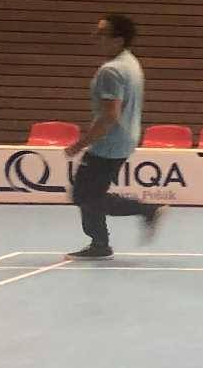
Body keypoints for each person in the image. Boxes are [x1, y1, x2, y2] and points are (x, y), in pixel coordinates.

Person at [62, 13, 163, 260]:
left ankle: (145, 210)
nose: (95, 37)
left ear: (118, 40)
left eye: (102, 34)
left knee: (84, 195)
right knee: (91, 193)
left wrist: (81, 143)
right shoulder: (131, 63)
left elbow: (110, 115)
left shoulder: (111, 71)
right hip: (124, 139)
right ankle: (100, 242)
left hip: (109, 143)